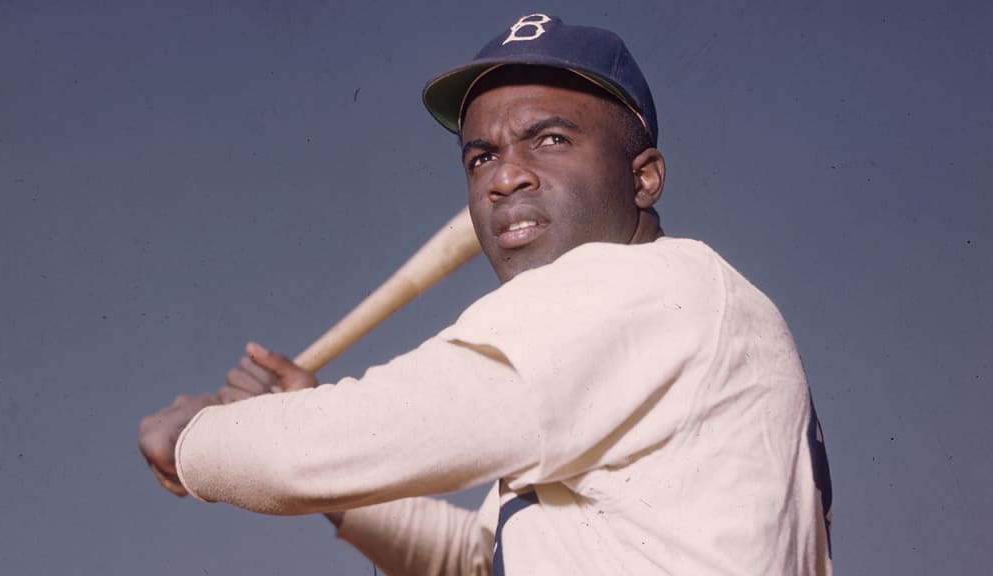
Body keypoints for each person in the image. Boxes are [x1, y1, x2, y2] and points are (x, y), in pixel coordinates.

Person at [139, 14, 833, 575]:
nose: (505, 178)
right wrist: (313, 440)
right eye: (482, 156)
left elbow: (327, 449)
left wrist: (191, 440)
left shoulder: (647, 290)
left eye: (550, 139)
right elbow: (476, 558)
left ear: (644, 178)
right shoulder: (652, 337)